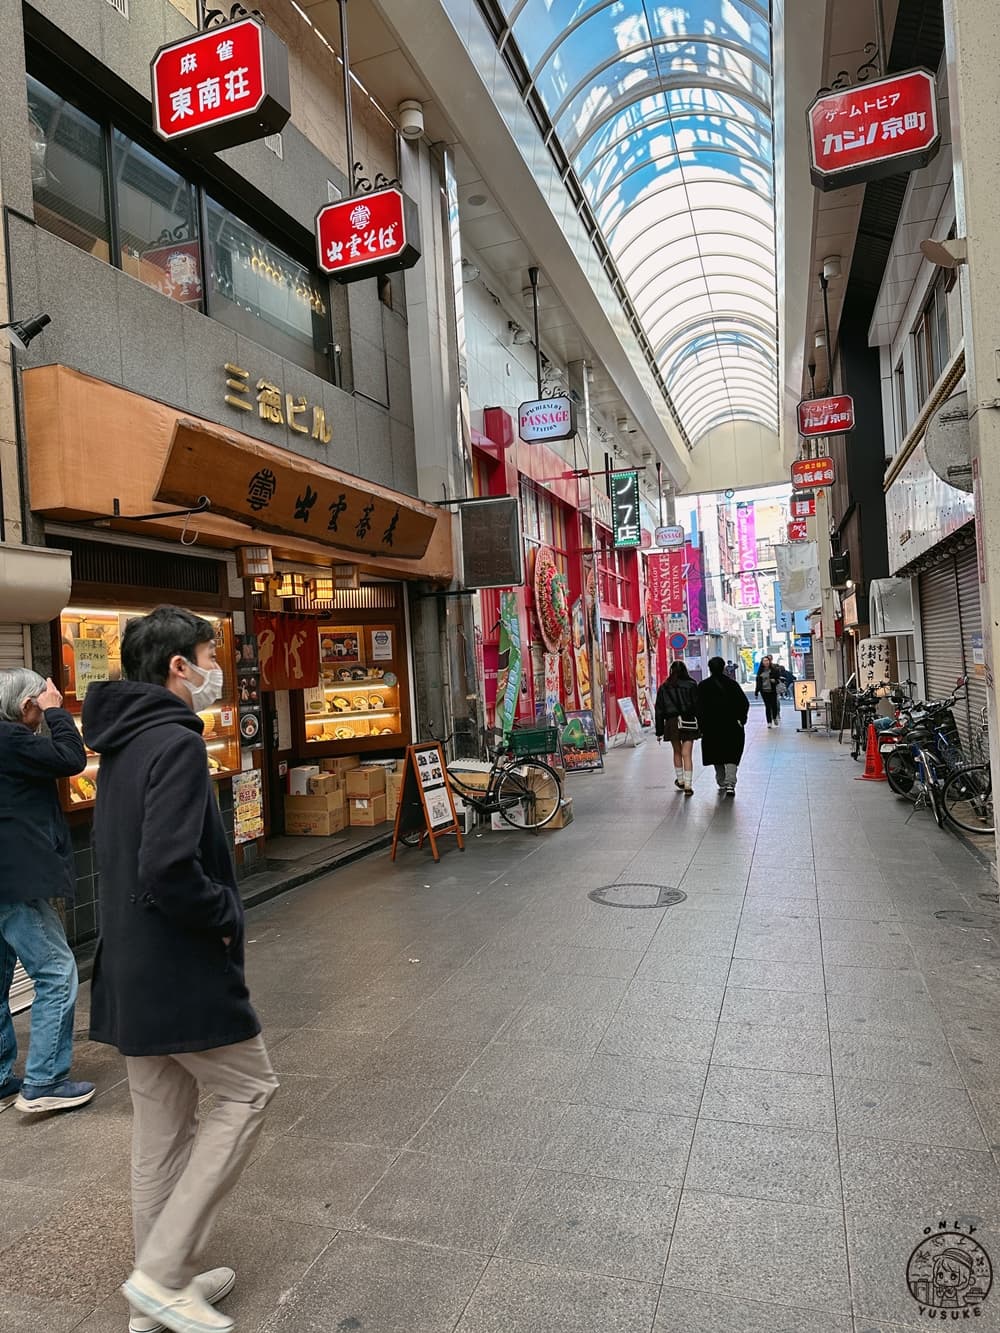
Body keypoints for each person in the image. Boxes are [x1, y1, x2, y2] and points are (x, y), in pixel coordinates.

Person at [83, 607, 278, 1333]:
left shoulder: (120, 744)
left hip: (131, 967)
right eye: (206, 654)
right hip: (179, 968)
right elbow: (168, 866)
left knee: (160, 1129)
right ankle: (163, 1273)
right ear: (177, 667)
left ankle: (154, 1293)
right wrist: (224, 912)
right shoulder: (174, 742)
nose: (212, 668)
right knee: (250, 1090)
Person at [0, 669, 96, 1115]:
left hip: (7, 878)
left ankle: (2, 1077)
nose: (45, 712)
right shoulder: (12, 739)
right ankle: (44, 1082)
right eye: (42, 704)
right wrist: (59, 712)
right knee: (57, 972)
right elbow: (71, 759)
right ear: (26, 708)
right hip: (17, 879)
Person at [697, 656, 750, 796]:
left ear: (709, 668)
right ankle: (730, 783)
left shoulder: (703, 686)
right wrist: (741, 719)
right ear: (723, 667)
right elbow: (744, 703)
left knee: (716, 754)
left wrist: (701, 727)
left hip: (711, 728)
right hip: (732, 726)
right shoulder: (732, 684)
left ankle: (721, 781)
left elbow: (699, 708)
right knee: (732, 754)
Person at [655, 660, 701, 795]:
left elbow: (659, 710)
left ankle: (680, 780)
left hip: (672, 722)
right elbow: (698, 706)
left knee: (677, 752)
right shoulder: (692, 685)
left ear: (671, 671)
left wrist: (659, 731)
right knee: (687, 754)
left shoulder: (664, 687)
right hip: (688, 721)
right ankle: (688, 784)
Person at [755, 654, 782, 726]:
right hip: (764, 691)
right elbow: (758, 682)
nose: (766, 662)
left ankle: (774, 717)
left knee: (774, 705)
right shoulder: (760, 671)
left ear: (769, 662)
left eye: (767, 660)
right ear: (762, 662)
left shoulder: (774, 670)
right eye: (764, 661)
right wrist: (756, 692)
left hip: (772, 690)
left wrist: (775, 681)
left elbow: (778, 679)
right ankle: (769, 722)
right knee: (767, 706)